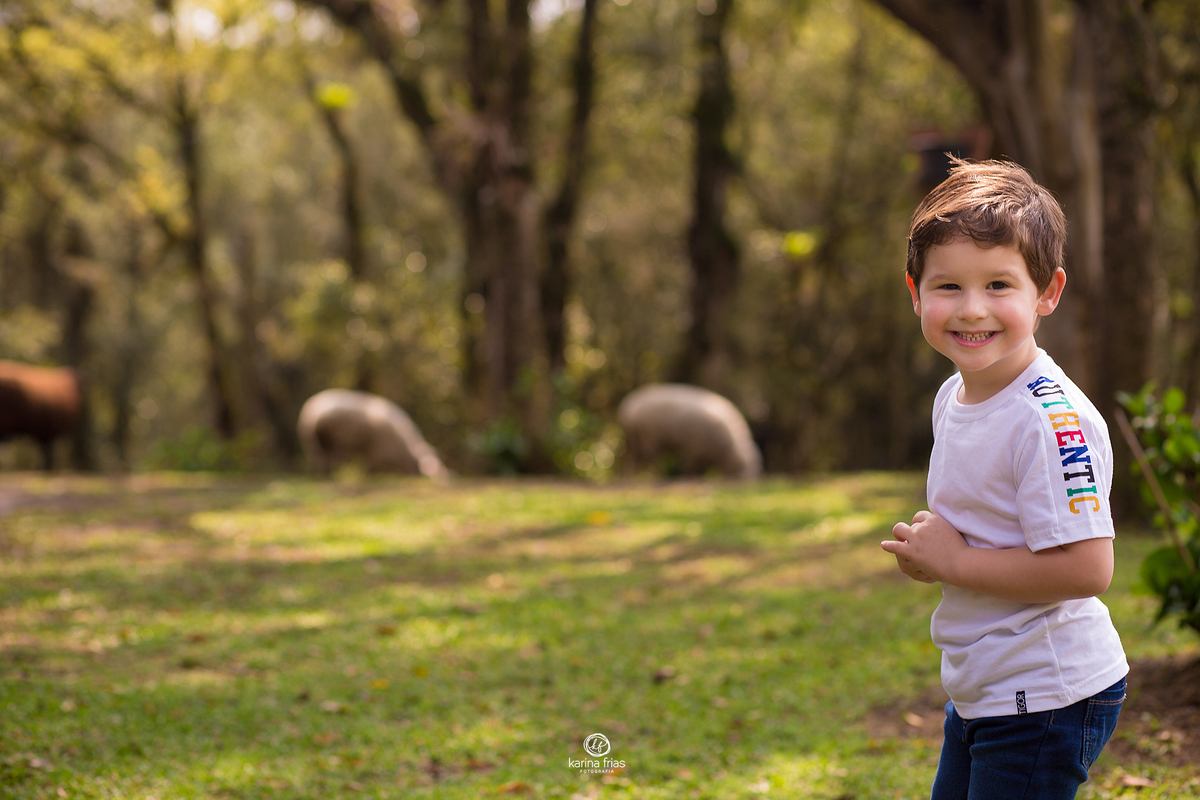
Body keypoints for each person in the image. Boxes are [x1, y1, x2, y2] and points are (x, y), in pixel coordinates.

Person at [881, 157, 1128, 800]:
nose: (972, 309)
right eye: (948, 286)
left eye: (998, 285)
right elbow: (986, 531)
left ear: (1047, 292)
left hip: (1045, 692)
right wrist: (934, 556)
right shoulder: (953, 395)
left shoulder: (1051, 422)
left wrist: (956, 562)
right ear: (915, 292)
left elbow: (1087, 568)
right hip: (985, 683)